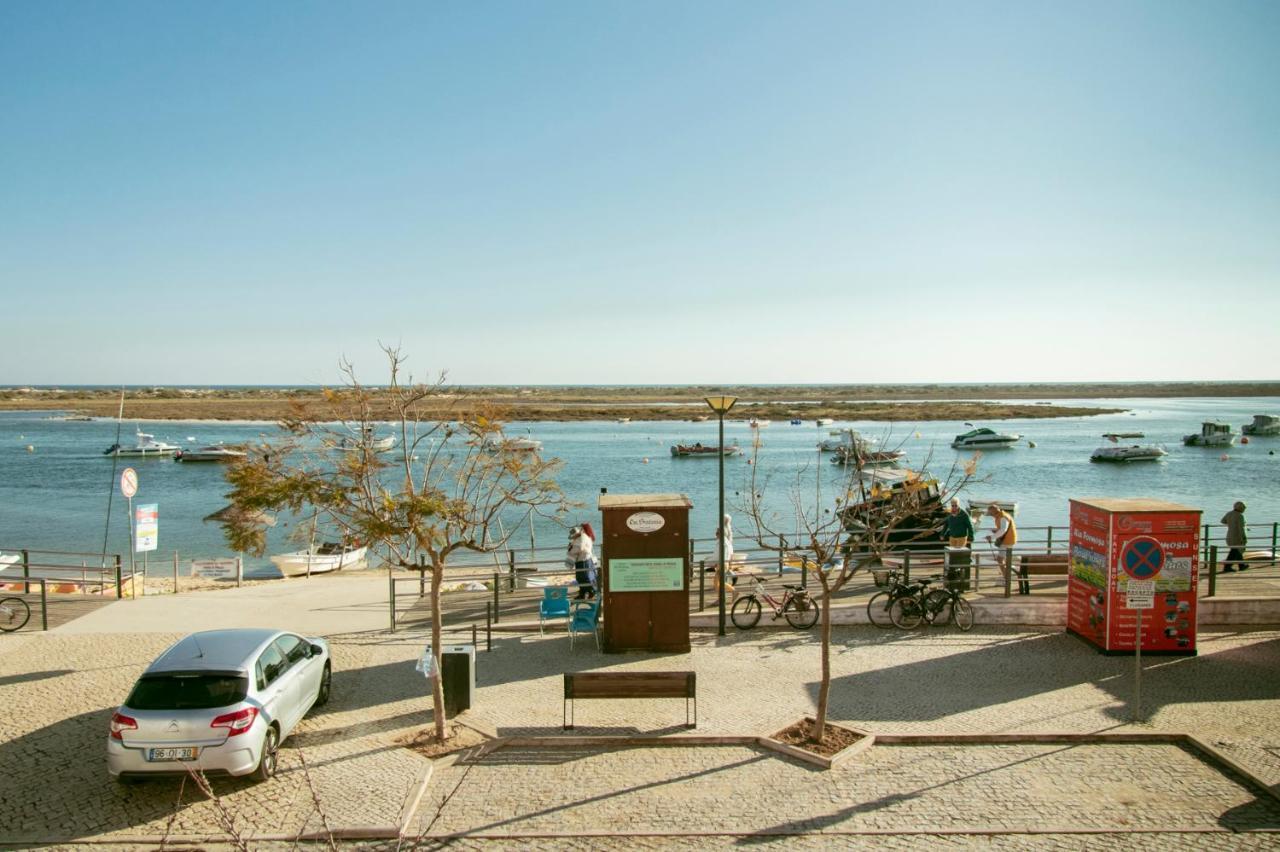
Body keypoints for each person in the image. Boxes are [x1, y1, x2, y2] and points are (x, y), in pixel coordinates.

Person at [983, 504, 1022, 593]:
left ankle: (1007, 579)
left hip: (1007, 541)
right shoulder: (1001, 516)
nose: (990, 515)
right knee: (1002, 559)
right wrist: (996, 530)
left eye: (990, 513)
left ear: (994, 511)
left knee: (1000, 559)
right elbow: (1003, 529)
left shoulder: (1003, 517)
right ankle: (1007, 575)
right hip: (1006, 540)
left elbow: (1003, 530)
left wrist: (992, 537)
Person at [569, 522, 597, 598]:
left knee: (583, 577)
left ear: (584, 529)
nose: (581, 529)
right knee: (584, 577)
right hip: (586, 559)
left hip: (583, 559)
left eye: (582, 528)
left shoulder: (583, 536)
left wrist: (571, 550)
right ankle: (584, 593)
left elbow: (579, 547)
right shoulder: (588, 536)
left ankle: (591, 591)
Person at [1221, 501, 1248, 572]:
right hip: (1237, 536)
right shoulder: (1240, 516)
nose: (1244, 510)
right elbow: (1241, 528)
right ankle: (1227, 567)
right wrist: (1244, 538)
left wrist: (1231, 524)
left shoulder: (1229, 513)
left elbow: (1223, 521)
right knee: (1234, 551)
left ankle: (1242, 565)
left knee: (1236, 551)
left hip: (1229, 535)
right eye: (1244, 508)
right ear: (1241, 508)